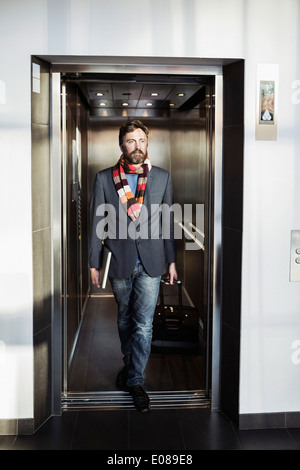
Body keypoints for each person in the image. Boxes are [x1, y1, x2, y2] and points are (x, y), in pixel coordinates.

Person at [89, 120, 177, 413]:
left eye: (141, 140)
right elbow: (97, 225)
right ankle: (130, 367)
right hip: (119, 261)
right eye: (131, 141)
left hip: (152, 263)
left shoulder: (162, 178)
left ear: (147, 143)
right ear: (122, 146)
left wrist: (172, 259)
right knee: (125, 320)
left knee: (144, 324)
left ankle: (136, 382)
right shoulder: (104, 179)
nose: (137, 146)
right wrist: (94, 262)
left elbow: (167, 224)